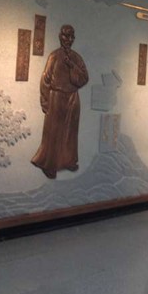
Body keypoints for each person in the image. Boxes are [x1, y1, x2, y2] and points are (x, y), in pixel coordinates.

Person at [32, 25, 89, 179]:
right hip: (56, 97)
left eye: (71, 37)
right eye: (65, 36)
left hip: (72, 97)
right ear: (60, 37)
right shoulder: (54, 56)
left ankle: (68, 161)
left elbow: (84, 78)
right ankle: (50, 165)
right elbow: (45, 79)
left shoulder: (77, 58)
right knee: (53, 132)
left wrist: (72, 66)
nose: (68, 40)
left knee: (71, 131)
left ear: (73, 38)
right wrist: (45, 100)